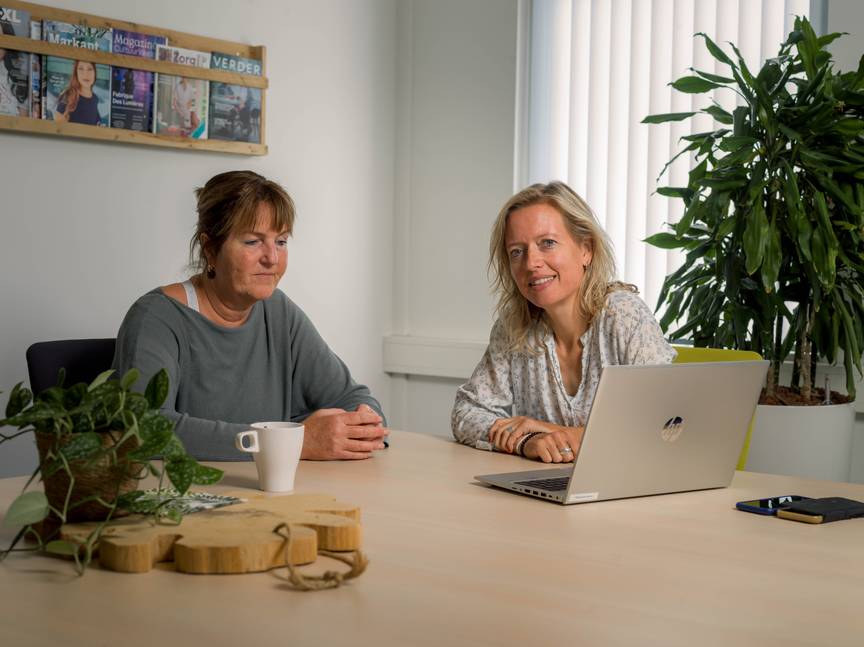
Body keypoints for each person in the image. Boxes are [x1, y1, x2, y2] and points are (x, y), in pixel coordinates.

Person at [114, 170, 389, 461]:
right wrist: (294, 441)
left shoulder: (279, 311)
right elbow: (145, 431)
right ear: (210, 248)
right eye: (253, 242)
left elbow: (354, 398)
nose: (272, 258)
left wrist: (361, 423)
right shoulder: (156, 318)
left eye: (281, 241)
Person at [451, 181, 675, 463]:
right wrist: (528, 441)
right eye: (517, 251)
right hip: (548, 489)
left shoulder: (623, 315)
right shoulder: (514, 327)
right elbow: (466, 411)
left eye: (548, 243)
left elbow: (664, 424)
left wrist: (555, 432)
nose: (531, 263)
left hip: (630, 488)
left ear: (586, 249)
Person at [54, 60, 102, 125]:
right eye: (81, 69)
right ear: (76, 73)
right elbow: (58, 129)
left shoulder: (95, 99)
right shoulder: (68, 96)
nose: (86, 74)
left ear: (95, 73)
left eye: (90, 69)